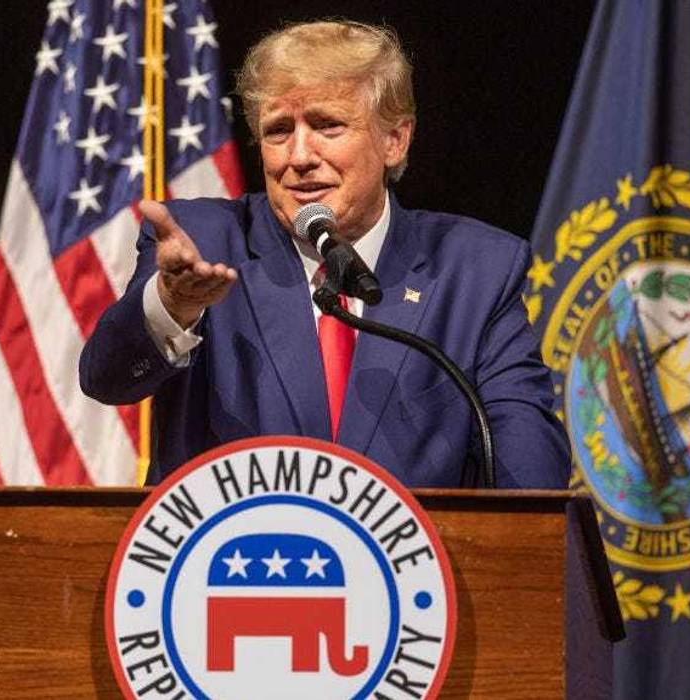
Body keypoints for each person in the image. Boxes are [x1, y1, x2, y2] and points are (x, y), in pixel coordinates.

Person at [80, 20, 569, 488]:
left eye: (327, 125)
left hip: (413, 569)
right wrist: (172, 306)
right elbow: (107, 380)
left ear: (395, 140)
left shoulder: (475, 270)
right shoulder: (205, 242)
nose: (298, 156)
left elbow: (531, 473)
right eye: (277, 131)